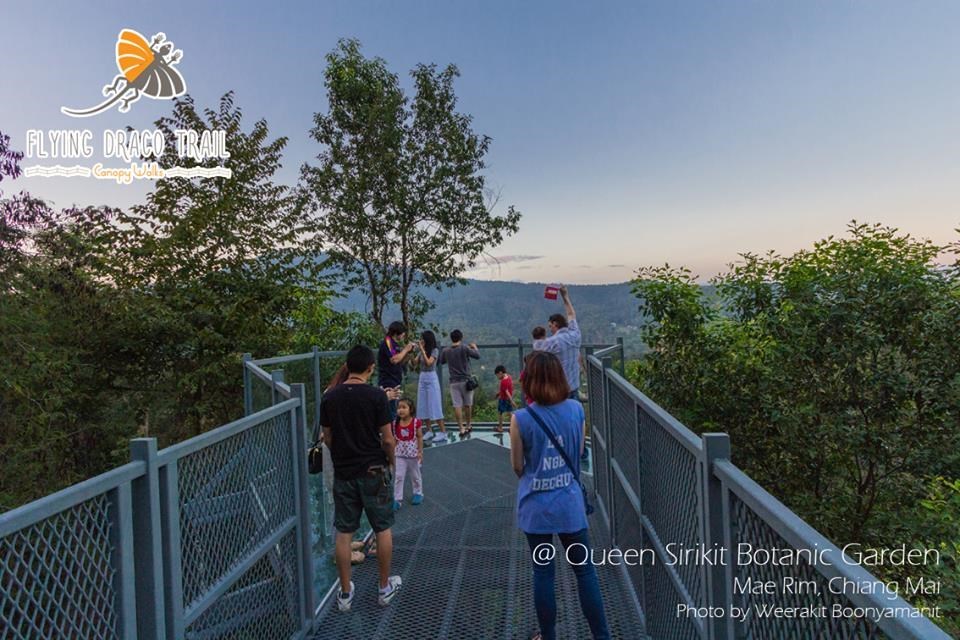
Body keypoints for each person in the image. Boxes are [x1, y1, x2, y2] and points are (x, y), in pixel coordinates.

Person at [509, 351, 610, 640]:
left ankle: (549, 636)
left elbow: (517, 466)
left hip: (537, 510)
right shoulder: (576, 409)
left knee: (543, 574)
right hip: (570, 506)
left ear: (528, 381)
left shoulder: (521, 419)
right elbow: (578, 453)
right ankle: (602, 636)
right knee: (585, 572)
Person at [320, 345, 403, 612]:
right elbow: (388, 439)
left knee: (344, 532)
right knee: (382, 527)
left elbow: (328, 437)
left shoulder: (330, 397)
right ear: (371, 367)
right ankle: (383, 588)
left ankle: (345, 594)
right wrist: (391, 462)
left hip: (344, 472)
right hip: (374, 471)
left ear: (348, 365)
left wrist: (342, 455)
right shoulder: (377, 397)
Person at [539, 286, 581, 400]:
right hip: (574, 388)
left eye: (550, 326)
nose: (550, 329)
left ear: (555, 324)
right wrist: (565, 296)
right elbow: (571, 315)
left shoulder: (552, 342)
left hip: (559, 391)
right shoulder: (575, 335)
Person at [438, 329, 480, 436]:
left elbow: (441, 361)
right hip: (466, 381)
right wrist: (474, 347)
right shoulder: (464, 348)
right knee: (468, 404)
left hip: (453, 382)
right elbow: (477, 356)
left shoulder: (446, 351)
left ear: (451, 338)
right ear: (461, 338)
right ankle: (468, 425)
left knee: (457, 406)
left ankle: (461, 428)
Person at [379, 321, 416, 420]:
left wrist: (409, 353)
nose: (404, 335)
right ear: (397, 333)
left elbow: (400, 361)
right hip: (388, 381)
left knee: (395, 410)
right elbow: (394, 359)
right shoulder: (388, 342)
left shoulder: (394, 344)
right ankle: (391, 434)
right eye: (403, 333)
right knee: (392, 412)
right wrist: (406, 349)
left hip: (395, 380)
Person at [416, 330, 448, 443]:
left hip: (431, 377)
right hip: (422, 377)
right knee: (422, 404)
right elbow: (414, 363)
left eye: (423, 338)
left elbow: (429, 363)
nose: (421, 340)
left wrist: (422, 351)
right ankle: (429, 430)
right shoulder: (422, 351)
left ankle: (443, 432)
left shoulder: (435, 350)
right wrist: (412, 351)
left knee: (435, 404)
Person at [392, 398, 424, 510]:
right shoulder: (395, 423)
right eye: (399, 407)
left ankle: (418, 493)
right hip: (400, 454)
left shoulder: (416, 422)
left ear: (410, 409)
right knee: (399, 477)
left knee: (415, 475)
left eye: (404, 407)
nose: (401, 410)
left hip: (412, 454)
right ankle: (397, 499)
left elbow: (419, 437)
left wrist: (420, 451)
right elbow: (394, 439)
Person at [494, 364, 517, 433]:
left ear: (500, 373)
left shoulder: (503, 381)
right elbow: (507, 389)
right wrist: (498, 393)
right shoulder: (509, 377)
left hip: (503, 399)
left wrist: (512, 401)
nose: (497, 377)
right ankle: (513, 427)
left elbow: (506, 392)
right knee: (510, 413)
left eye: (497, 375)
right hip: (508, 399)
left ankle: (500, 428)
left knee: (500, 413)